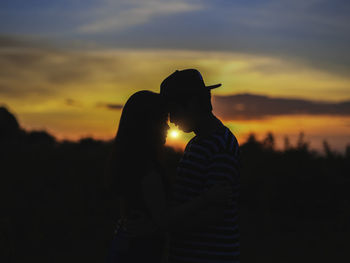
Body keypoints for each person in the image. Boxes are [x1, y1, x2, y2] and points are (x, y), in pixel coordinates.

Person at [106, 90, 231, 263]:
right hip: (140, 252)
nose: (168, 125)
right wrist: (206, 198)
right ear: (147, 125)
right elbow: (163, 219)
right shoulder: (147, 169)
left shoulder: (132, 161)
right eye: (162, 120)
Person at [160, 69, 241, 263]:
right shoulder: (196, 144)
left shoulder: (221, 145)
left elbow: (214, 213)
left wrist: (165, 223)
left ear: (194, 103)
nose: (171, 120)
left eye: (175, 110)